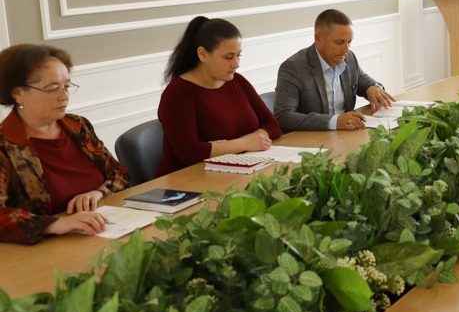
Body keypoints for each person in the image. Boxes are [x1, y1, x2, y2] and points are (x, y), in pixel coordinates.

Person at [0, 44, 129, 244]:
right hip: (46, 249)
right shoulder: (5, 144)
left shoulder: (78, 126)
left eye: (66, 87)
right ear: (18, 94)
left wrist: (98, 192)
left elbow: (119, 172)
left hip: (104, 231)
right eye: (53, 89)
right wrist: (55, 224)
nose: (64, 96)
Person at [156, 16, 281, 177]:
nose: (236, 64)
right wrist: (245, 143)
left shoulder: (237, 81)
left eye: (238, 55)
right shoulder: (178, 94)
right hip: (186, 180)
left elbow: (273, 126)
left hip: (234, 172)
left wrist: (226, 146)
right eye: (228, 57)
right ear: (202, 54)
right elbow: (189, 153)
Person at [274, 9, 395, 131]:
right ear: (318, 38)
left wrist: (372, 88)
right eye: (339, 42)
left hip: (346, 134)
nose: (346, 50)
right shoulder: (293, 67)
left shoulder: (349, 58)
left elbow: (364, 82)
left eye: (349, 42)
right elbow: (283, 117)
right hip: (313, 137)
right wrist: (334, 122)